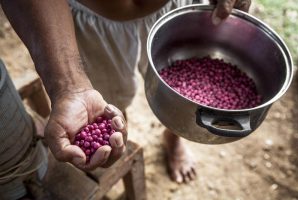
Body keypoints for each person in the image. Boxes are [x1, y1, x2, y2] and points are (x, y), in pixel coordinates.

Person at [0, 0, 251, 186]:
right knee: (110, 107)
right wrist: (69, 85)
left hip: (173, 7)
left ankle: (173, 139)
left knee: (185, 95)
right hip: (90, 21)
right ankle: (116, 137)